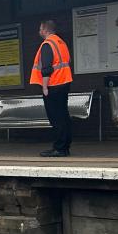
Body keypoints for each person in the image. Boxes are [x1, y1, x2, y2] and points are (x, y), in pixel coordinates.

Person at [31, 18, 73, 156]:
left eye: (40, 29)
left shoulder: (47, 44)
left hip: (53, 85)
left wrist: (44, 87)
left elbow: (47, 68)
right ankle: (65, 147)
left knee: (56, 118)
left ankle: (59, 148)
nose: (39, 31)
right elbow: (67, 61)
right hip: (64, 82)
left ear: (45, 30)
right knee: (64, 116)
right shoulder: (61, 43)